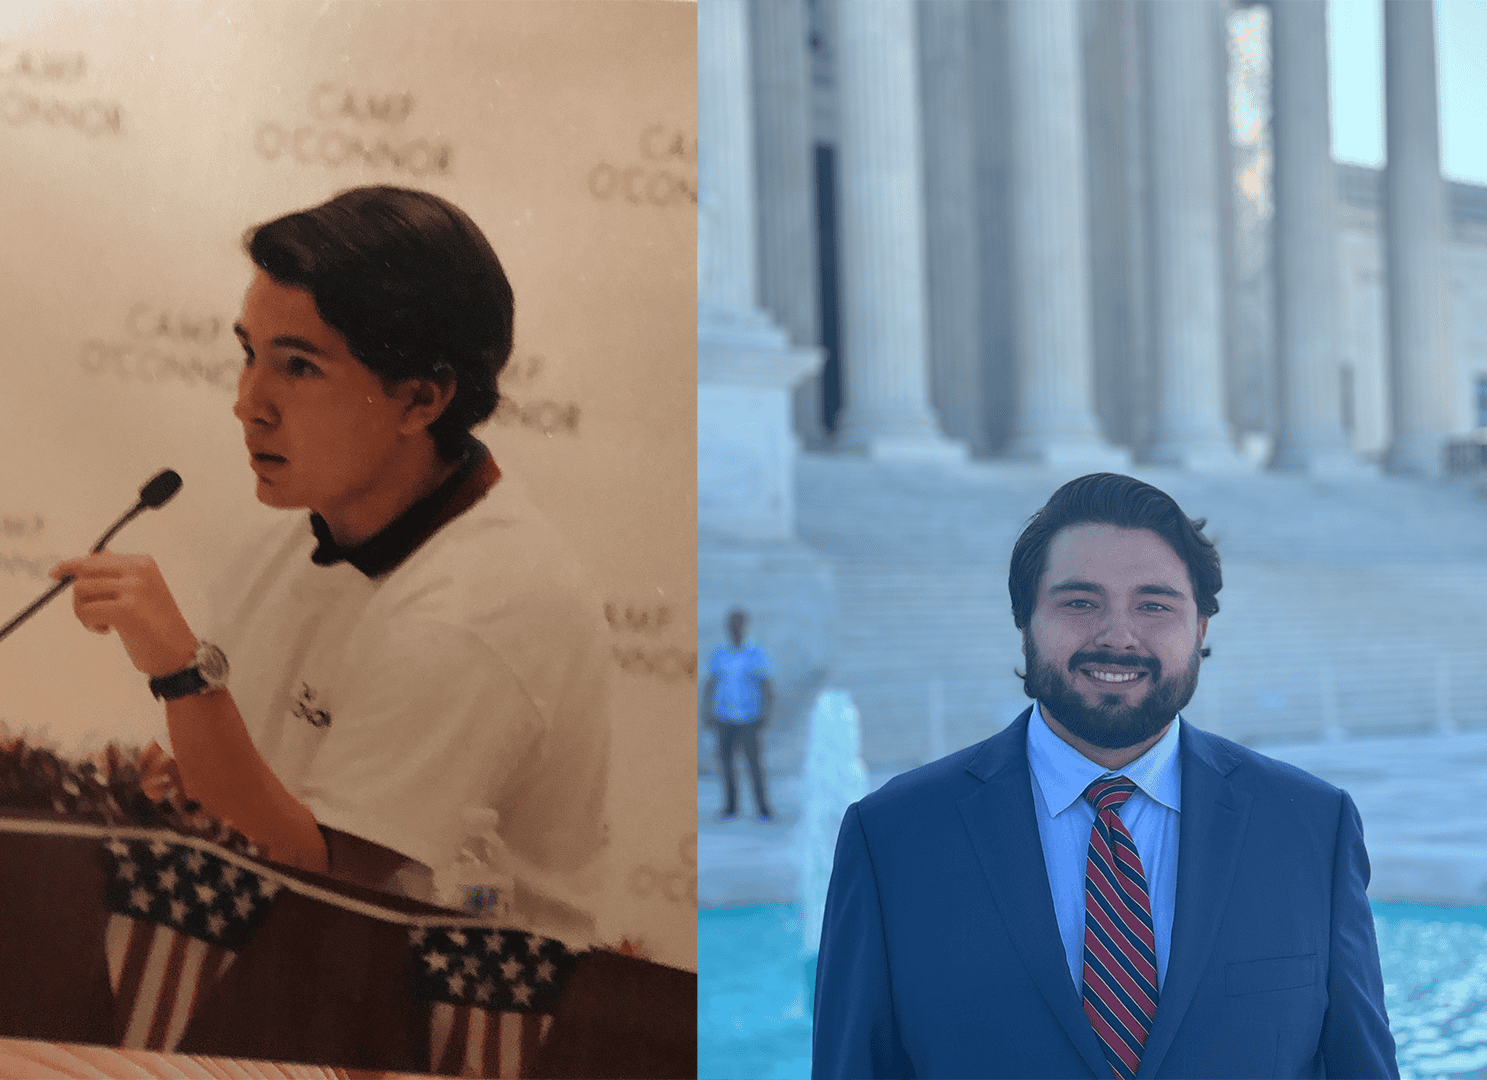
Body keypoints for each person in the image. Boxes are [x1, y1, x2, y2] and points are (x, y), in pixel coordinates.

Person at [50, 186, 610, 937]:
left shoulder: (481, 608)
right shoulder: (301, 533)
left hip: (450, 1034)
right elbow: (227, 800)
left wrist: (182, 674)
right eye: (249, 355)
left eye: (299, 367)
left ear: (420, 400)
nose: (249, 403)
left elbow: (320, 896)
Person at [812, 473, 1397, 1079]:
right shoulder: (893, 839)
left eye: (1154, 605)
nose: (1118, 636)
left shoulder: (1310, 827)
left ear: (1199, 629)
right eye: (1080, 602)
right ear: (1024, 623)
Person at [703, 607, 775, 820]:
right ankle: (731, 806)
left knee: (754, 764)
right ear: (727, 628)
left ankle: (762, 807)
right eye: (732, 625)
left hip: (750, 717)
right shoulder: (720, 654)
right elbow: (711, 683)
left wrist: (767, 711)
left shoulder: (756, 652)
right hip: (724, 717)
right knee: (726, 764)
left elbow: (766, 684)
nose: (735, 629)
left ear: (744, 626)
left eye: (739, 624)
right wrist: (706, 710)